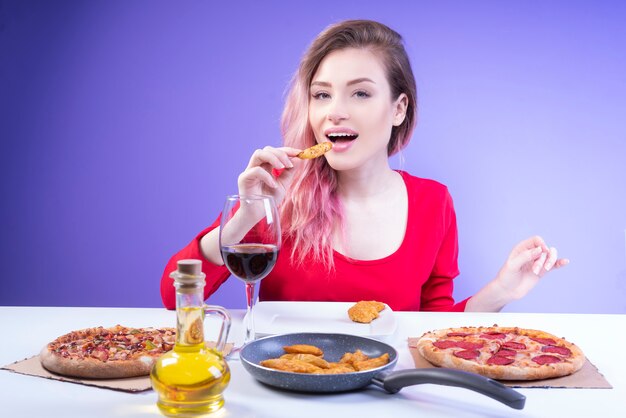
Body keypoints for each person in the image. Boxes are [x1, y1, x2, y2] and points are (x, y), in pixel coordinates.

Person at [160, 20, 568, 312]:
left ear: (398, 108)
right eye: (321, 95)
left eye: (359, 93)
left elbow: (432, 332)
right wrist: (244, 217)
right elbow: (171, 294)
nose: (335, 112)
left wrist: (502, 290)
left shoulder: (434, 202)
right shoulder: (275, 195)